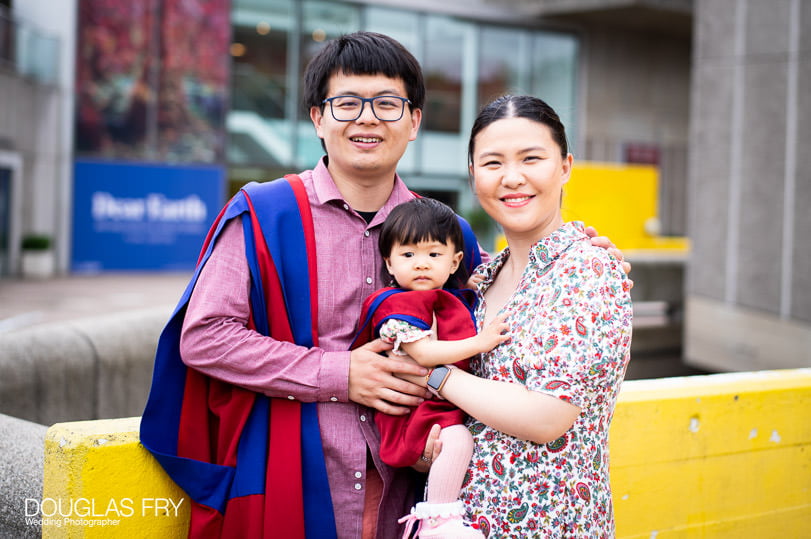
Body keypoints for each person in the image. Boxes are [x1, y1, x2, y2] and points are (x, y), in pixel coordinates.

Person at [140, 31, 629, 539]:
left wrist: (587, 253)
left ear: (415, 120)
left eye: (388, 104)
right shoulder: (265, 215)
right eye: (347, 102)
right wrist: (339, 373)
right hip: (293, 483)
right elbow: (203, 336)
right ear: (317, 117)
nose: (367, 118)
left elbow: (520, 287)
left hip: (412, 498)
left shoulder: (445, 232)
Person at [413, 95, 633, 538]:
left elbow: (548, 417)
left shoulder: (587, 269)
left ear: (565, 166)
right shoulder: (478, 282)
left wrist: (432, 374)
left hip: (550, 526)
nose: (512, 178)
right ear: (473, 174)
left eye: (531, 158)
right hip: (464, 524)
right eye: (492, 163)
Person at [352, 198, 509, 538]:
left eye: (433, 255)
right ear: (389, 264)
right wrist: (481, 343)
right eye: (408, 255)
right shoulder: (397, 305)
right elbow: (422, 354)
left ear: (455, 262)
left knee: (460, 440)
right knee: (457, 439)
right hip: (411, 414)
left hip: (436, 402)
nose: (421, 264)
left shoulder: (453, 297)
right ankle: (437, 522)